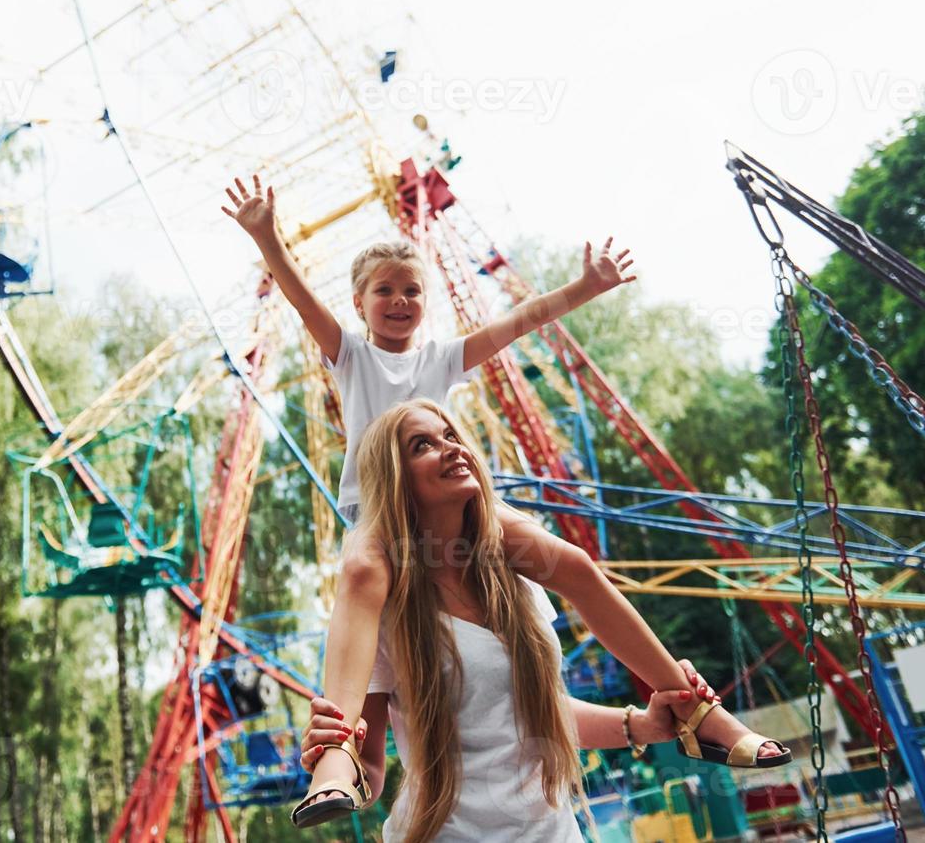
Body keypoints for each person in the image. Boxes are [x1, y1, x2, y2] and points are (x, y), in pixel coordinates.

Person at [218, 176, 789, 829]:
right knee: (360, 572)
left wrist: (585, 289)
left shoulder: (443, 357)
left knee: (568, 561)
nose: (400, 301)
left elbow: (519, 323)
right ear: (360, 302)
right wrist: (266, 236)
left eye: (411, 291)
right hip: (380, 513)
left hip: (451, 509)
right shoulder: (351, 356)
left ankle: (693, 710)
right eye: (385, 291)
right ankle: (336, 757)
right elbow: (301, 301)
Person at [295, 400, 772, 841]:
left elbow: (537, 711)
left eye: (450, 436)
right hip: (446, 833)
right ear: (398, 479)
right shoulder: (384, 614)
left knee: (578, 566)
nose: (451, 449)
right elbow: (375, 773)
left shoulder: (516, 584)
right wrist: (345, 760)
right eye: (424, 445)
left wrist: (641, 725)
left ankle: (694, 711)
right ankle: (332, 764)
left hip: (551, 832)